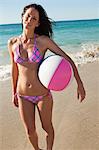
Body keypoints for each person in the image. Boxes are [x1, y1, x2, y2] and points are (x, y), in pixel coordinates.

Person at [8, 3, 86, 150]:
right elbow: (14, 70)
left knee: (47, 127)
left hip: (42, 94)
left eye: (34, 18)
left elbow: (67, 59)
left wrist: (79, 83)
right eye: (28, 16)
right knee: (30, 132)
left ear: (38, 23)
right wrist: (13, 92)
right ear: (22, 17)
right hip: (23, 95)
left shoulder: (43, 41)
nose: (30, 19)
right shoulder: (12, 43)